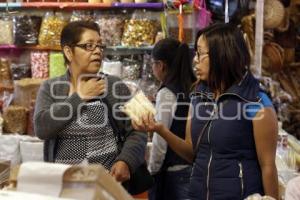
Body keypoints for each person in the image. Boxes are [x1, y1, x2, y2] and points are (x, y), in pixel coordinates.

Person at [132, 23, 279, 199]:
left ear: (222, 55)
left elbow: (268, 166)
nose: (195, 59)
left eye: (200, 53)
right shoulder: (198, 96)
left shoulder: (255, 101)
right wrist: (160, 129)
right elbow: (191, 152)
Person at [34, 21, 147, 184]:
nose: (97, 52)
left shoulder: (115, 84)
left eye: (100, 46)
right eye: (89, 46)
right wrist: (79, 97)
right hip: (65, 186)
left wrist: (126, 161)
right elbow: (42, 128)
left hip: (108, 185)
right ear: (68, 52)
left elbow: (139, 130)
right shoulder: (51, 87)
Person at [148, 38, 196, 200]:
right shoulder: (194, 86)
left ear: (161, 65)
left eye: (153, 63)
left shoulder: (167, 93)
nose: (152, 68)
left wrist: (152, 170)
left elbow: (161, 139)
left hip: (175, 174)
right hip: (194, 169)